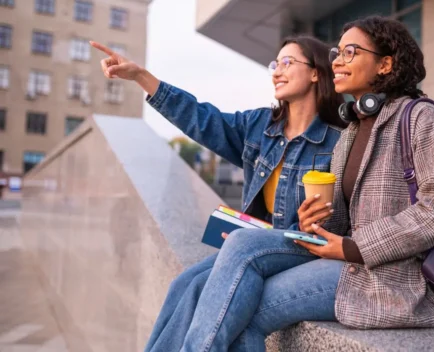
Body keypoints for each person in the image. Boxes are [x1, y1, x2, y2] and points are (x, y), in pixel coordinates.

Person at [161, 15, 434, 352]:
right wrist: (316, 220)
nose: (337, 60)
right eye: (338, 52)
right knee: (238, 264)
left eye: (351, 52)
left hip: (390, 279)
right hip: (347, 262)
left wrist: (354, 247)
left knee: (241, 282)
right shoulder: (352, 130)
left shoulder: (422, 117)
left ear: (385, 64)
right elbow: (342, 219)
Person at [91, 35, 345, 352]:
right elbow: (202, 119)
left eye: (286, 63)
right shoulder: (261, 126)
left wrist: (312, 225)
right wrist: (142, 77)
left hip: (304, 245)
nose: (276, 71)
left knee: (209, 288)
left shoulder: (337, 142)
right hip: (259, 245)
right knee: (185, 283)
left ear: (315, 73)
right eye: (273, 64)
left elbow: (345, 218)